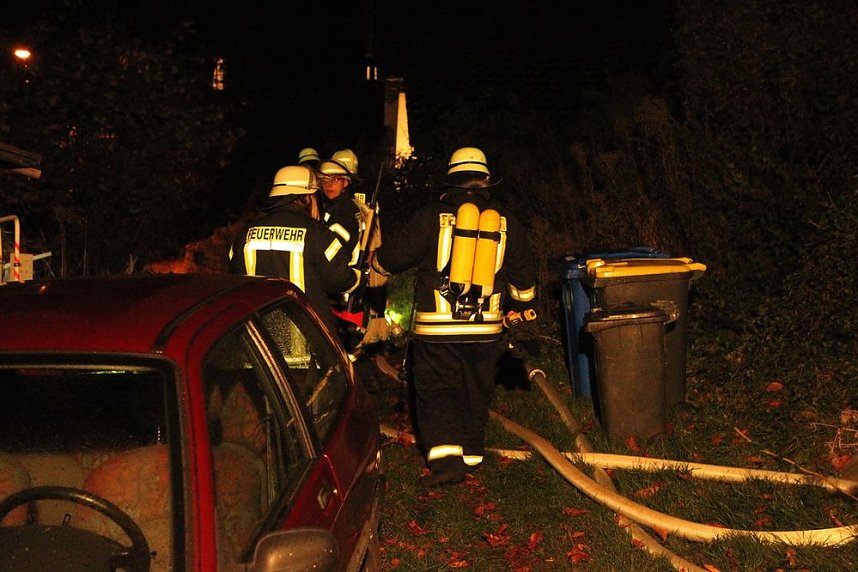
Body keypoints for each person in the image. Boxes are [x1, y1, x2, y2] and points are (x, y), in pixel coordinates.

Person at [370, 146, 538, 487]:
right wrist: (521, 307)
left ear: (451, 180)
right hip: (486, 329)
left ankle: (447, 463)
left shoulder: (431, 216)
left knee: (437, 390)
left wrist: (374, 262)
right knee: (476, 387)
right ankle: (472, 453)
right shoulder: (506, 222)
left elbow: (391, 259)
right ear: (486, 180)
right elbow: (524, 282)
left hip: (436, 327)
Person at [228, 164, 362, 333]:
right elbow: (340, 279)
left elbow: (236, 275)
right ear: (305, 198)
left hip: (261, 333)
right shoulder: (317, 233)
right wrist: (358, 276)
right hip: (308, 333)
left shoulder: (244, 235)